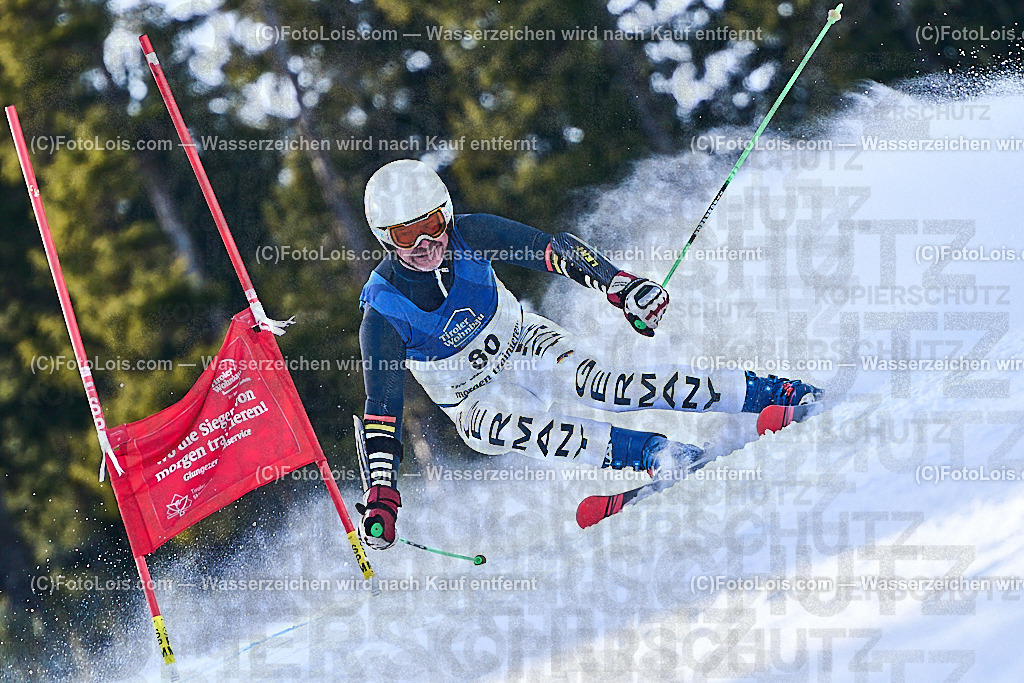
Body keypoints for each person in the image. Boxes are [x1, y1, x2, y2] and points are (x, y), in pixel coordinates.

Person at [354, 159, 821, 549]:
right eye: (406, 236)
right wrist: (382, 495)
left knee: (611, 387)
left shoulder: (471, 235)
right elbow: (383, 411)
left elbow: (551, 250)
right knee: (518, 428)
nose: (425, 246)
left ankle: (770, 392)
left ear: (447, 214)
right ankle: (658, 454)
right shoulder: (383, 311)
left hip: (525, 344)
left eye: (432, 225)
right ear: (384, 237)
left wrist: (621, 287)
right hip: (473, 402)